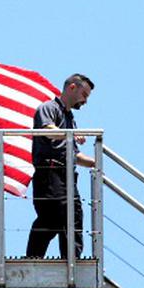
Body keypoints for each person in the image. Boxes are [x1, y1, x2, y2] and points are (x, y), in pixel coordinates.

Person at [26, 74, 96, 258]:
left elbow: (74, 155)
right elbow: (48, 131)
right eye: (84, 94)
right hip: (49, 172)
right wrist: (70, 134)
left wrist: (96, 163)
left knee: (74, 215)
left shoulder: (70, 119)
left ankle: (72, 261)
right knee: (53, 215)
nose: (85, 101)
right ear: (72, 87)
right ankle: (33, 258)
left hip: (66, 175)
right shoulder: (48, 108)